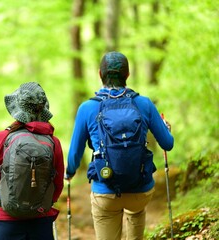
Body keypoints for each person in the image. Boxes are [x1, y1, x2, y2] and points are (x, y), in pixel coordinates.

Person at [66, 51, 174, 240]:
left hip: (105, 191)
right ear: (128, 75)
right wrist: (167, 129)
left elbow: (75, 154)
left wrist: (70, 172)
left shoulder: (87, 108)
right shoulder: (144, 104)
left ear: (100, 74)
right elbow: (167, 143)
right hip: (140, 190)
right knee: (136, 210)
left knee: (106, 214)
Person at [0, 82, 64, 240]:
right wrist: (45, 202)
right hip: (40, 220)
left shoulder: (0, 138)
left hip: (4, 222)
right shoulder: (53, 142)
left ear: (17, 109)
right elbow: (58, 182)